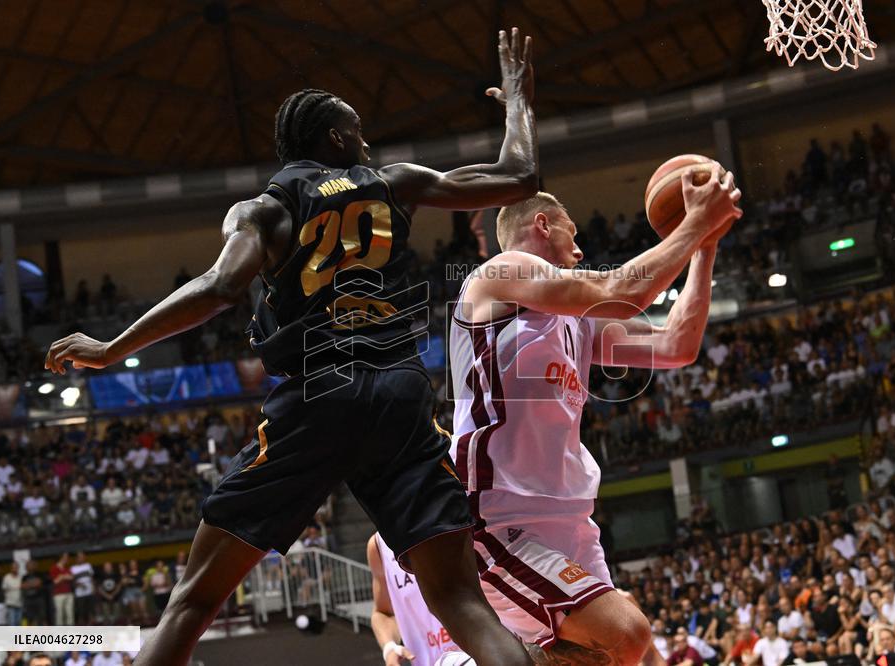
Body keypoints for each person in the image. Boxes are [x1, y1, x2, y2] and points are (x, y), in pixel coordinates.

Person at [45, 27, 539, 666]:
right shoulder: (395, 182)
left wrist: (114, 347)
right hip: (400, 396)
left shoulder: (263, 211)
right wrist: (519, 98)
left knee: (193, 601)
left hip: (318, 395)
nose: (366, 141)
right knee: (463, 603)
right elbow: (519, 174)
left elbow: (221, 286)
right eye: (357, 130)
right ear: (334, 139)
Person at [448, 169, 741, 664]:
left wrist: (705, 246)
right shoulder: (499, 274)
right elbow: (626, 292)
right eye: (573, 233)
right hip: (497, 516)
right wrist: (691, 224)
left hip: (568, 520)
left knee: (622, 648)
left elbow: (678, 343)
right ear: (542, 224)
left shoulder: (576, 323)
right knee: (626, 633)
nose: (580, 249)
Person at [368, 533, 471, 665]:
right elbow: (383, 613)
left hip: (477, 655)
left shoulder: (457, 520)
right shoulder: (378, 545)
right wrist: (389, 648)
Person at [51, 553, 75, 625]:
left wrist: (61, 576)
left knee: (70, 614)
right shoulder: (54, 568)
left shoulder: (67, 568)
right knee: (59, 614)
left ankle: (70, 632)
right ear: (61, 558)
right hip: (58, 595)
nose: (67, 559)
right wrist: (64, 577)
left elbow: (72, 577)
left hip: (69, 593)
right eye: (66, 557)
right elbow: (55, 581)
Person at [71, 552, 95, 625]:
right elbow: (72, 580)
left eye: (83, 557)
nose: (82, 558)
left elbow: (92, 578)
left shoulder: (88, 565)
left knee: (90, 610)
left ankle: (91, 625)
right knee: (81, 610)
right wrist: (79, 584)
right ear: (77, 558)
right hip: (79, 593)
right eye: (80, 557)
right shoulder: (73, 568)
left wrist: (93, 587)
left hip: (89, 591)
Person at [21, 561, 46, 626]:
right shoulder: (24, 577)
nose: (30, 567)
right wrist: (33, 584)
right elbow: (23, 586)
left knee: (41, 618)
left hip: (38, 599)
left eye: (32, 565)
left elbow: (38, 583)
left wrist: (29, 585)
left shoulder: (39, 574)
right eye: (28, 565)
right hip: (28, 600)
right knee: (29, 619)